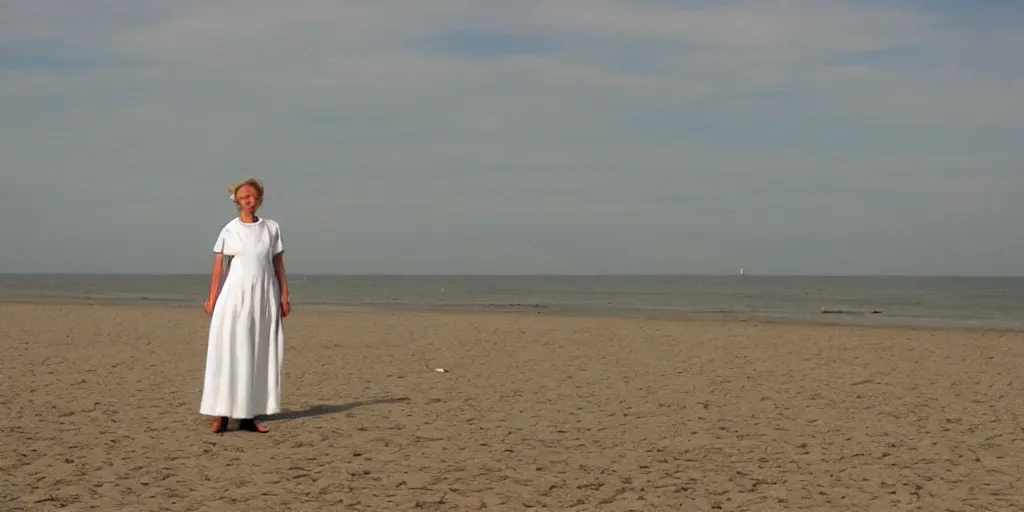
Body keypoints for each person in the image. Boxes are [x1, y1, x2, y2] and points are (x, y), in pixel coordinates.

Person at [200, 177, 291, 434]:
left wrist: (284, 295)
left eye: (252, 197)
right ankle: (222, 415)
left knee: (257, 352)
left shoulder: (271, 229)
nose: (248, 201)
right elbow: (219, 265)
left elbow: (278, 265)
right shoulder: (229, 230)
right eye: (243, 198)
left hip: (263, 298)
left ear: (259, 199)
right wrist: (211, 297)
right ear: (236, 202)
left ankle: (248, 415)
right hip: (234, 298)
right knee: (229, 352)